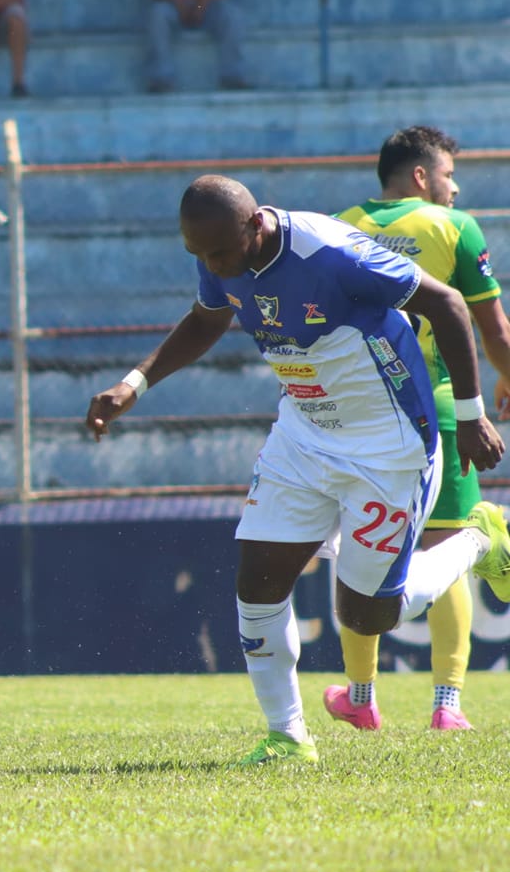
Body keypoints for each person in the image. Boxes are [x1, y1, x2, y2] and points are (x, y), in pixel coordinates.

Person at [85, 175, 510, 768]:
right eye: (200, 255)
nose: (213, 265)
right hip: (304, 436)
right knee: (257, 583)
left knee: (368, 615)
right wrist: (135, 382)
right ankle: (288, 737)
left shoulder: (330, 251)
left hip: (388, 444)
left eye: (219, 252)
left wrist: (470, 416)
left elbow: (447, 303)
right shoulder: (220, 253)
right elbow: (208, 318)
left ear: (255, 223)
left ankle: (478, 539)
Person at [327, 127, 510, 732]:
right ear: (422, 177)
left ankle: (359, 696)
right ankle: (446, 707)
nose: (456, 187)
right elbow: (493, 329)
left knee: (362, 549)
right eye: (450, 175)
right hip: (436, 406)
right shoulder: (453, 228)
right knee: (442, 548)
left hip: (360, 410)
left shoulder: (338, 225)